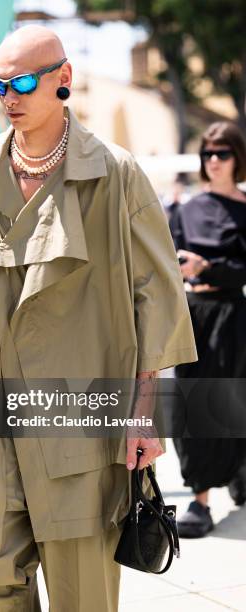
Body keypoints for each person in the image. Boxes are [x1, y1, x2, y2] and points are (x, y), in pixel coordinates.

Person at [0, 25, 197, 611]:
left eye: (22, 81)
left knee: (83, 595)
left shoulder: (116, 175)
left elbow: (157, 300)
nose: (9, 96)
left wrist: (146, 416)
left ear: (63, 79)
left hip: (84, 409)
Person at [171, 121, 246, 538]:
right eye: (207, 154)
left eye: (221, 153)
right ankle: (199, 501)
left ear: (237, 157)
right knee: (192, 405)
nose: (213, 161)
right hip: (193, 311)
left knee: (233, 399)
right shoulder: (187, 210)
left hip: (233, 314)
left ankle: (238, 468)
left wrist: (210, 267)